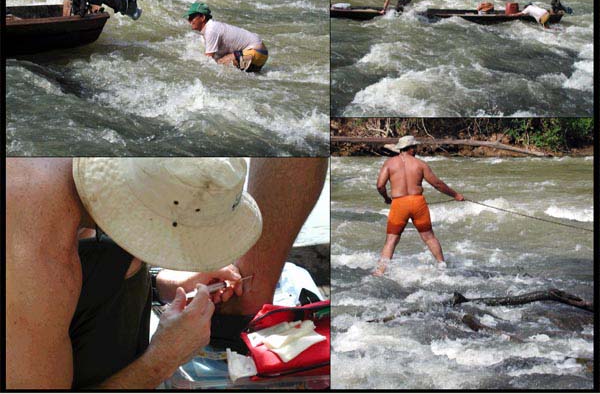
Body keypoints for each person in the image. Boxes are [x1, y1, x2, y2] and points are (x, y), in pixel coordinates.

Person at [7, 157, 327, 389]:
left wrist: (164, 280)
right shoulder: (35, 258)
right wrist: (162, 360)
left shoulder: (81, 171)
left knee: (125, 260)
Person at [373, 136, 464, 276]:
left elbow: (380, 185)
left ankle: (380, 271)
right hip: (417, 203)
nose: (416, 150)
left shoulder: (389, 164)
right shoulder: (420, 164)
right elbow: (437, 184)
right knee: (429, 237)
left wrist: (386, 198)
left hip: (399, 204)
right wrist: (456, 195)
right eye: (414, 147)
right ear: (410, 149)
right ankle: (442, 267)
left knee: (391, 240)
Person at [185, 1, 269, 72]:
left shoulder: (211, 30)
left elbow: (208, 59)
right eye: (188, 18)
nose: (189, 21)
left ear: (202, 17)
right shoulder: (212, 28)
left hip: (255, 52)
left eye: (192, 17)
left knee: (219, 64)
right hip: (260, 55)